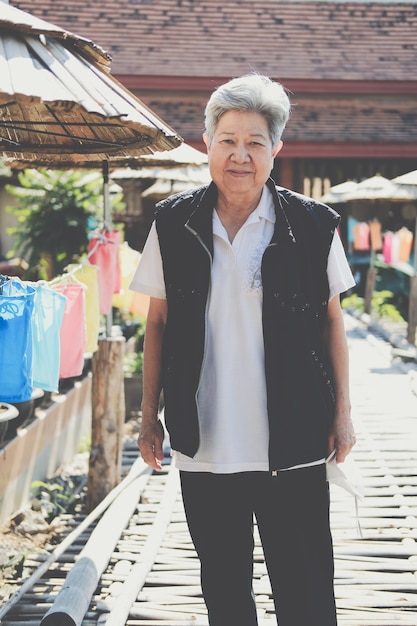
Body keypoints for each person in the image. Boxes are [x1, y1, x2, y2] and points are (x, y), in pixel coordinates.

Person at [129, 73, 356, 626]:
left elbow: (333, 323)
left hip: (296, 441)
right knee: (225, 598)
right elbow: (156, 324)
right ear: (207, 143)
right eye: (228, 140)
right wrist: (147, 418)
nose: (240, 155)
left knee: (306, 599)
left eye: (255, 142)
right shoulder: (172, 223)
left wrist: (344, 415)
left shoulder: (313, 225)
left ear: (276, 150)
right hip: (204, 443)